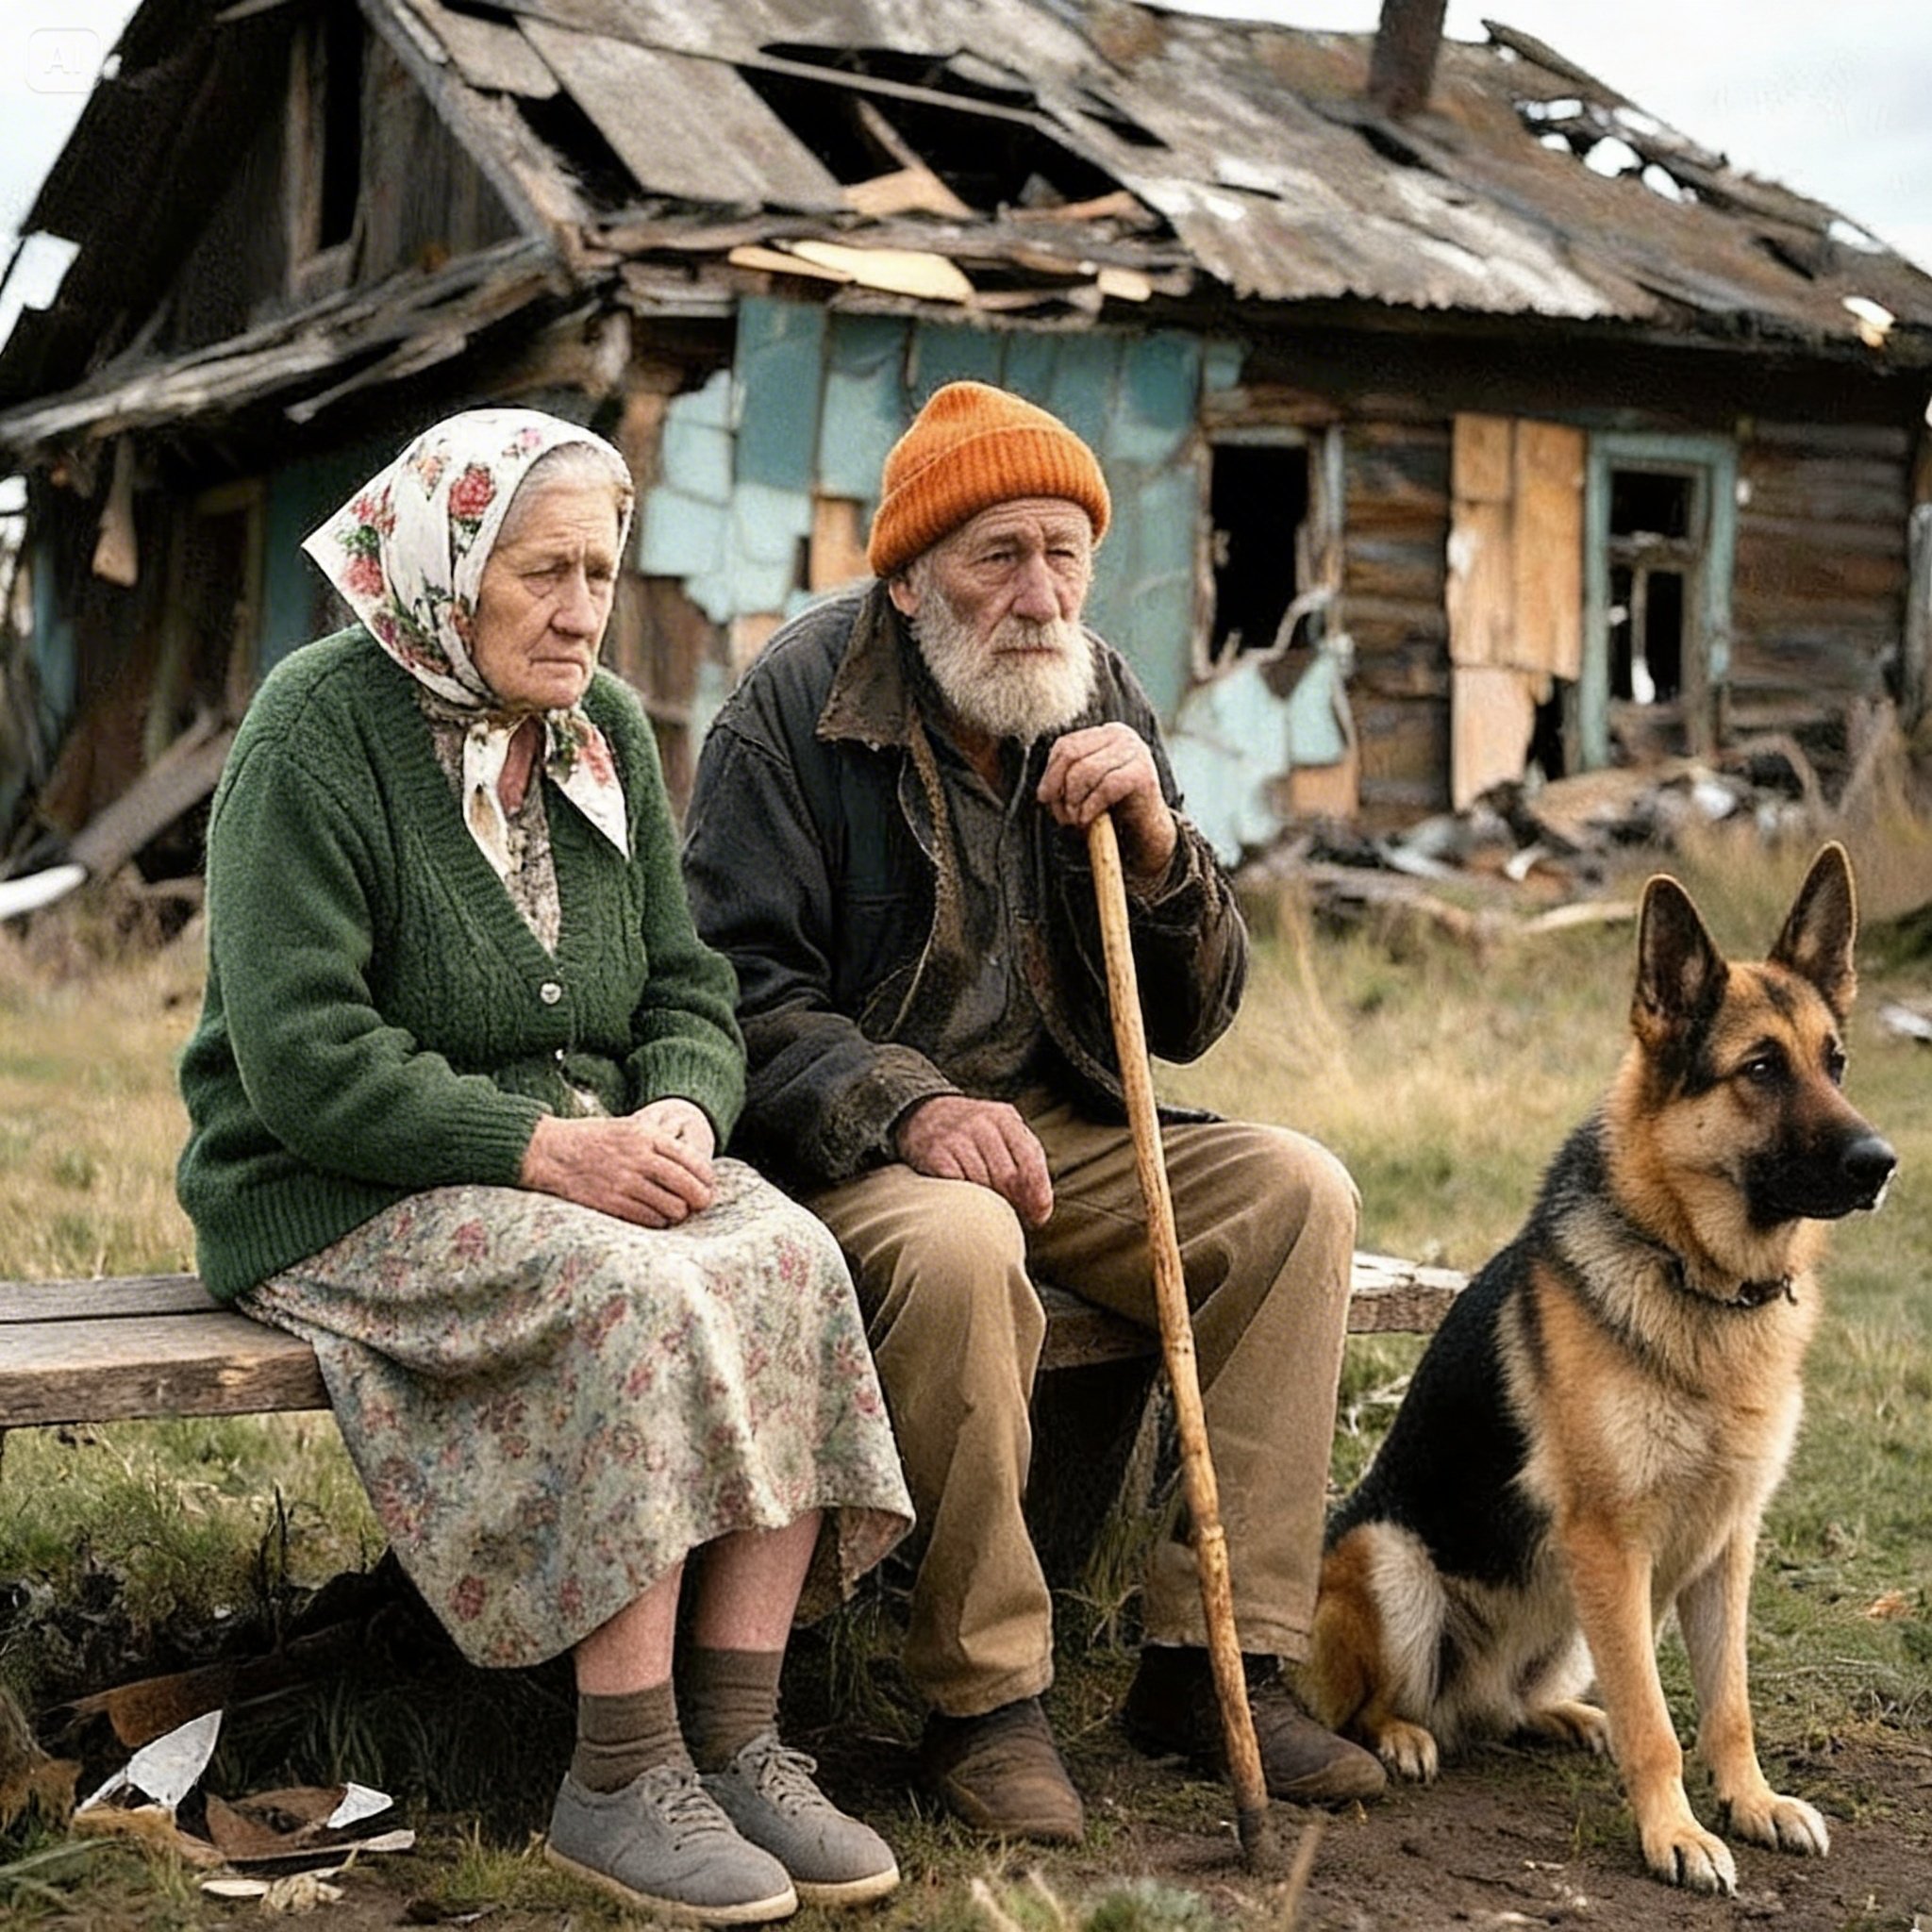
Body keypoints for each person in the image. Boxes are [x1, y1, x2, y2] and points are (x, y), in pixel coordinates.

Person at [175, 408, 914, 1926]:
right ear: (444, 572)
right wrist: (543, 1148)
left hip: (579, 1155)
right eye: (542, 574)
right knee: (634, 1293)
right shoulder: (315, 732)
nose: (583, 611)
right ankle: (619, 1769)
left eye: (601, 572)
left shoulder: (601, 733)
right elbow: (306, 1060)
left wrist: (688, 1111)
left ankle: (739, 1741)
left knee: (792, 1257)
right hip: (340, 1184)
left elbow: (688, 991)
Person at [681, 381, 1388, 1842]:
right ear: (910, 578)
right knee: (958, 1247)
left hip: (1060, 1126)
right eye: (999, 555)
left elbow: (1191, 1016)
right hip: (859, 1147)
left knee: (1297, 1196)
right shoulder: (796, 708)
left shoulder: (1097, 689)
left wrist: (1161, 848)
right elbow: (731, 991)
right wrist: (907, 1106)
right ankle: (984, 1702)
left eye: (1065, 554)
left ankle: (1215, 1664)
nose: (1040, 594)